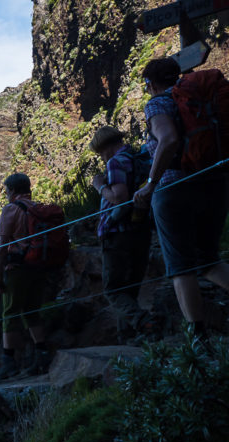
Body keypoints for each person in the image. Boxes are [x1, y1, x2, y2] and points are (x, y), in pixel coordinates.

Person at [134, 57, 229, 348]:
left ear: (150, 83)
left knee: (181, 266)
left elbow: (168, 138)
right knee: (209, 259)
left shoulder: (157, 103)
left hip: (173, 187)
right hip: (215, 181)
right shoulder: (200, 98)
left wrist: (150, 184)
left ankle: (198, 341)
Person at [89, 126, 154, 341]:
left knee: (113, 290)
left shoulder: (116, 162)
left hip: (118, 232)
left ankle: (145, 322)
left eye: (100, 152)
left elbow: (119, 197)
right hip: (140, 228)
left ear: (105, 146)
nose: (101, 157)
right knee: (129, 287)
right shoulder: (138, 158)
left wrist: (99, 186)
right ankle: (128, 336)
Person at [0, 173, 51, 380]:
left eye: (7, 191)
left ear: (13, 191)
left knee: (9, 313)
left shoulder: (11, 209)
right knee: (32, 311)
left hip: (17, 267)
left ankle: (9, 363)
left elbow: (1, 247)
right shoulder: (38, 207)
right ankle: (42, 354)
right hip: (39, 265)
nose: (7, 195)